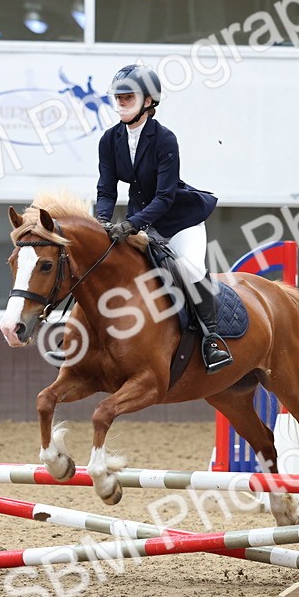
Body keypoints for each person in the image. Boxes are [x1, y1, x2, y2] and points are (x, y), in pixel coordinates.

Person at [95, 64, 233, 373]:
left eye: (128, 97)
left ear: (148, 101)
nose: (121, 103)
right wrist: (102, 222)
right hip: (143, 221)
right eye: (118, 98)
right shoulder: (109, 140)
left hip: (179, 221)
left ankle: (211, 339)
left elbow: (165, 197)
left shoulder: (164, 139)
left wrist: (132, 224)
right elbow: (105, 190)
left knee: (191, 267)